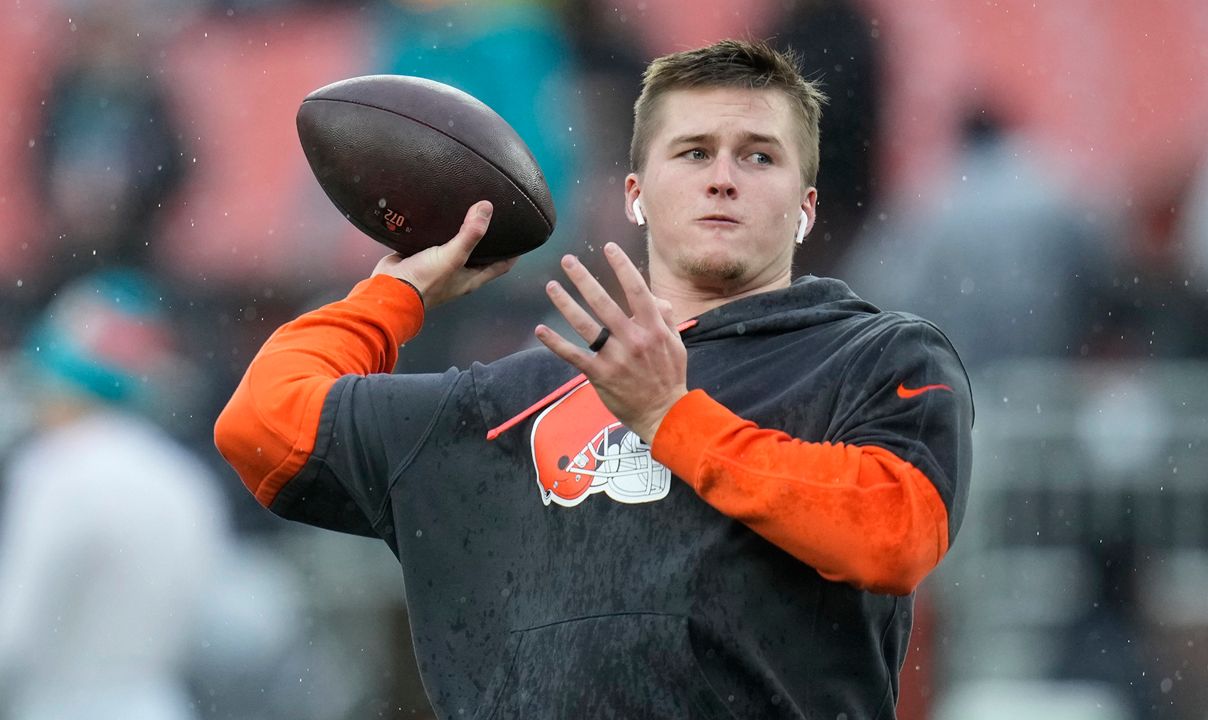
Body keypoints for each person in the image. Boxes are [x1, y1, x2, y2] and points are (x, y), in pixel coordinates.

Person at [216, 39, 973, 718]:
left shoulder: (877, 356)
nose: (723, 179)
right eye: (693, 152)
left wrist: (672, 419)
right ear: (634, 196)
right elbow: (265, 423)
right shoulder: (511, 398)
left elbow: (892, 534)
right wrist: (396, 294)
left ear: (806, 209)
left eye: (759, 156)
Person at [0, 269, 230, 720]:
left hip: (60, 706)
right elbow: (208, 621)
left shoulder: (55, 470)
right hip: (160, 705)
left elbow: (16, 632)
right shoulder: (184, 479)